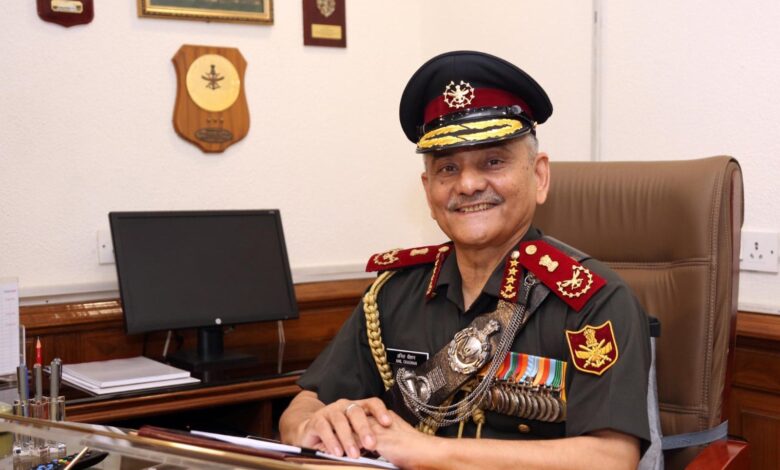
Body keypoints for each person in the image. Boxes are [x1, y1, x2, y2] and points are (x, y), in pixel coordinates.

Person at [280, 50, 651, 469]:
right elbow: (303, 406)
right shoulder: (392, 294)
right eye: (448, 169)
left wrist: (427, 452)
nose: (469, 184)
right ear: (428, 190)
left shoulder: (593, 301)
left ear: (539, 175)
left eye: (493, 161)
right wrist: (314, 425)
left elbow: (612, 458)